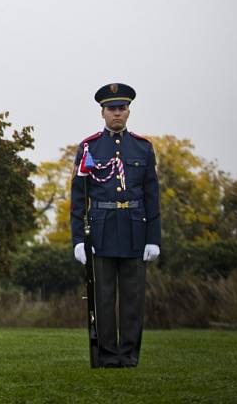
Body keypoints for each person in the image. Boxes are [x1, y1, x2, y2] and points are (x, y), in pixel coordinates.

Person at [70, 82, 160, 368]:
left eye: (122, 108)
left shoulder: (143, 148)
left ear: (129, 111)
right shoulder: (89, 147)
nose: (117, 114)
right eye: (112, 109)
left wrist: (153, 238)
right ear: (102, 112)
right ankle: (108, 355)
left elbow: (151, 196)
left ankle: (129, 354)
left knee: (133, 299)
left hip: (135, 228)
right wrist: (77, 241)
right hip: (101, 231)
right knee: (104, 298)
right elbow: (78, 198)